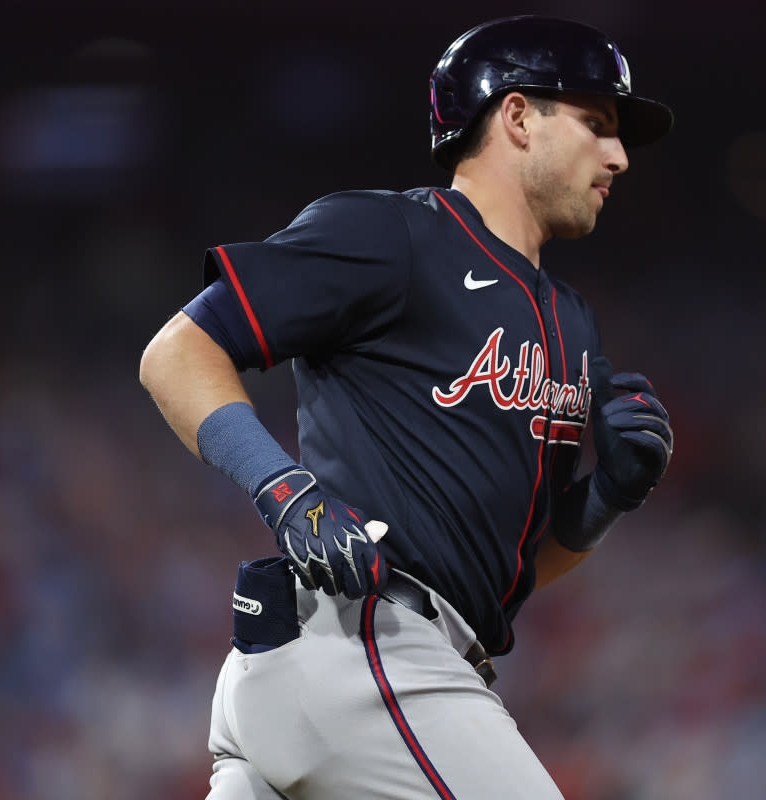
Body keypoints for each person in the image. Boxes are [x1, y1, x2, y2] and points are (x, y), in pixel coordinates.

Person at [139, 15, 674, 799]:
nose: (619, 155)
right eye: (596, 124)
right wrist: (281, 486)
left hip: (358, 668)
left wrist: (601, 501)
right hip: (363, 649)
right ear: (518, 116)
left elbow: (499, 574)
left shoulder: (572, 320)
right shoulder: (393, 235)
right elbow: (176, 353)